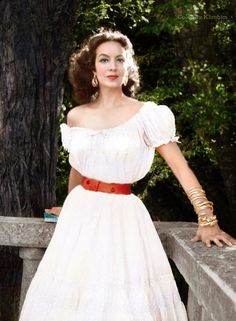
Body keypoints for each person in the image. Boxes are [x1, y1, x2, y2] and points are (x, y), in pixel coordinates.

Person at [19, 29, 236, 321]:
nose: (112, 66)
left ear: (127, 66)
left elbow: (181, 168)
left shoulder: (147, 115)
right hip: (78, 219)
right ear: (92, 68)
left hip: (122, 218)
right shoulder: (76, 116)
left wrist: (207, 218)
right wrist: (69, 203)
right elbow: (79, 166)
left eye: (119, 60)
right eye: (104, 59)